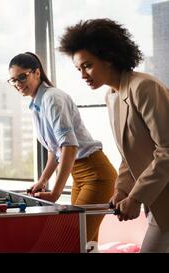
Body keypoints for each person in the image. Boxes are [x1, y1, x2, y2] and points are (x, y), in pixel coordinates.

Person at [59, 18, 169, 253]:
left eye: (87, 65)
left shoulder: (145, 88)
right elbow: (129, 154)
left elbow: (167, 151)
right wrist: (122, 190)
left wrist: (136, 197)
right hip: (157, 200)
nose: (83, 75)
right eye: (79, 69)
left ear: (108, 57)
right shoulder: (112, 96)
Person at [8, 52, 117, 244]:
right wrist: (42, 180)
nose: (18, 83)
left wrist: (56, 193)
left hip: (95, 174)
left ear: (36, 73)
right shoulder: (36, 104)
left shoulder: (52, 98)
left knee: (70, 242)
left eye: (22, 77)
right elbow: (55, 149)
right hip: (80, 175)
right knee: (87, 244)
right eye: (13, 80)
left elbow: (69, 147)